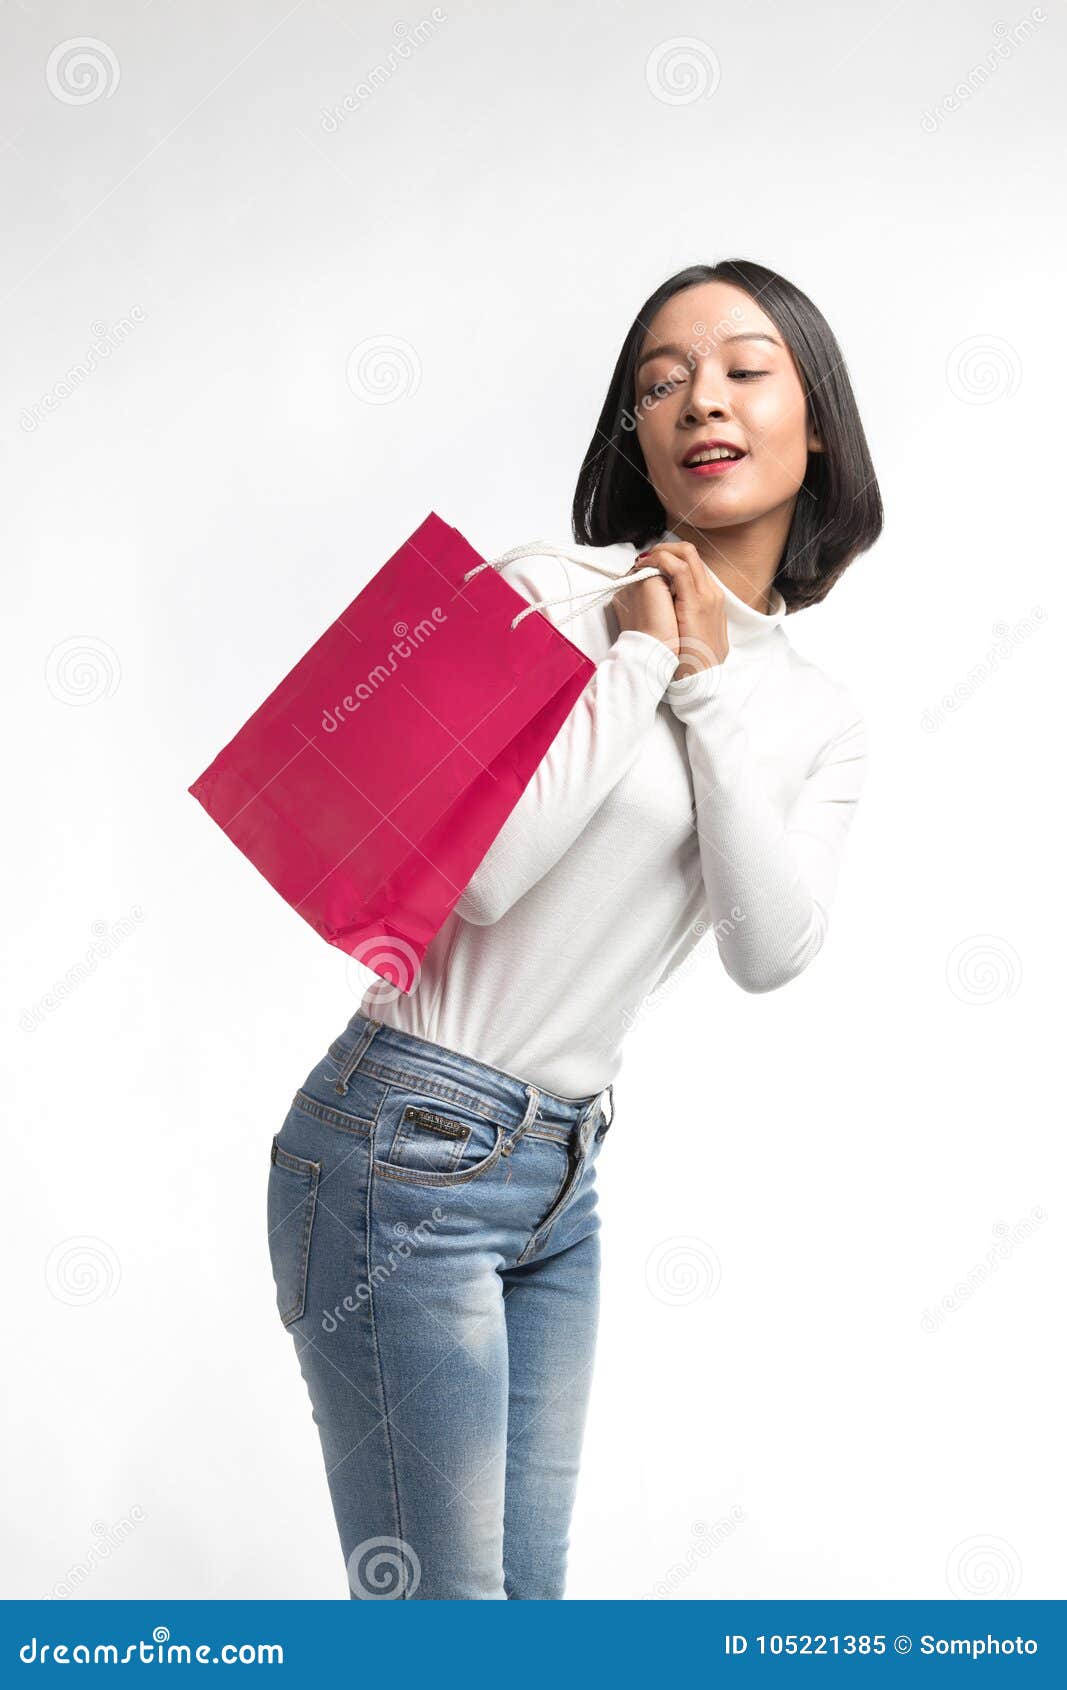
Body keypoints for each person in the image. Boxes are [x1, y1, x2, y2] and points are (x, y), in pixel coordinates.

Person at [266, 258, 882, 1599]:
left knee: (533, 1617)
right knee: (451, 1625)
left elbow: (768, 949)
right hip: (398, 1145)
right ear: (636, 437)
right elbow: (479, 878)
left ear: (816, 420)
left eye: (740, 369)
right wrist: (641, 659)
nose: (698, 401)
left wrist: (710, 696)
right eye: (660, 384)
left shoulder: (816, 712)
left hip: (563, 1174)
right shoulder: (546, 587)